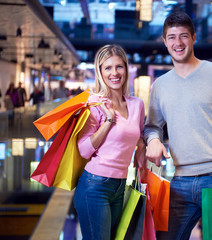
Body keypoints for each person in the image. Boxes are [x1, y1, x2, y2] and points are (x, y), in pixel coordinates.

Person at [144, 11, 212, 239]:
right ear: (165, 42)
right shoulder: (160, 86)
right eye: (172, 37)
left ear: (194, 38)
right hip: (179, 181)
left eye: (184, 36)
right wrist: (154, 140)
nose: (178, 42)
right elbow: (152, 126)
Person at [74, 44, 146, 240]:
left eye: (119, 67)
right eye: (108, 68)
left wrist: (141, 146)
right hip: (94, 185)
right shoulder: (95, 105)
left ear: (126, 69)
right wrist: (108, 121)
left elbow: (136, 133)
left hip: (120, 185)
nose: (114, 73)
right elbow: (84, 150)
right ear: (100, 72)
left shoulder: (137, 104)